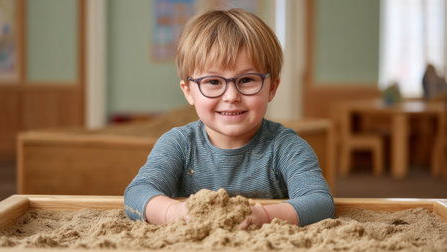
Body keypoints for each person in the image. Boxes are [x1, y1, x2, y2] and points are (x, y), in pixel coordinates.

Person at [124, 8, 334, 228]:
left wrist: (264, 216)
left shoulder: (286, 147)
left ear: (272, 88)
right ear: (188, 91)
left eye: (246, 80)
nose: (231, 96)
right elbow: (137, 193)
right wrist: (172, 212)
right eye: (213, 82)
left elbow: (320, 202)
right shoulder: (178, 144)